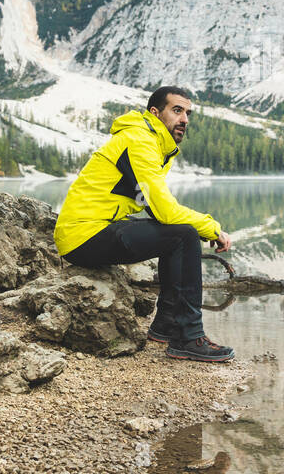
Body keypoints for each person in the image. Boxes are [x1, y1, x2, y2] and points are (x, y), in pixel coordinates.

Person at [54, 86, 235, 362]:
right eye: (177, 110)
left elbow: (155, 206)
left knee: (177, 236)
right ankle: (188, 337)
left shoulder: (152, 142)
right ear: (155, 112)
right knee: (184, 236)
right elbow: (165, 211)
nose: (184, 119)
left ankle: (166, 325)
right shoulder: (139, 140)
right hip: (84, 236)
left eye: (188, 113)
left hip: (90, 231)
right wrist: (210, 226)